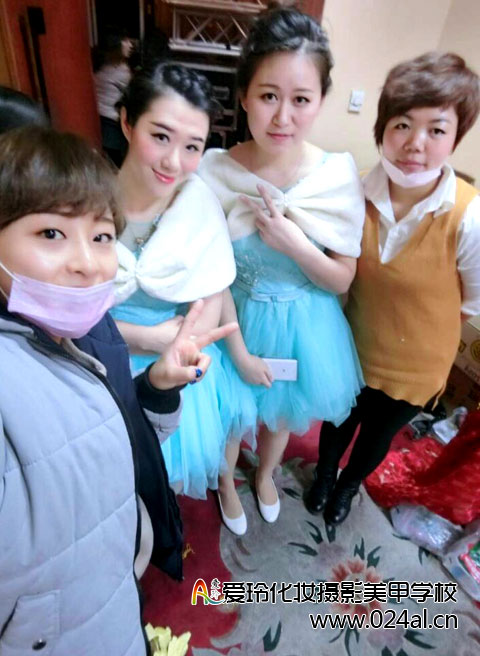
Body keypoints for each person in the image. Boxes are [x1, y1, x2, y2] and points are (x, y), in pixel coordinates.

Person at [0, 126, 237, 654]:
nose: (87, 263)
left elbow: (106, 432)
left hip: (113, 586)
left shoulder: (94, 328)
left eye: (102, 236)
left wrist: (155, 388)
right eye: (51, 233)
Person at [198, 5, 365, 532]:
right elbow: (204, 271)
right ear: (244, 95)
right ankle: (226, 480)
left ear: (320, 101)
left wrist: (297, 246)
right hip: (236, 317)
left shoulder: (336, 177)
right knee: (232, 415)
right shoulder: (213, 172)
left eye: (301, 99)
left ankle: (266, 474)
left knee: (283, 412)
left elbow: (341, 279)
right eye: (269, 96)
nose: (283, 117)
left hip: (305, 323)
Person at [305, 52, 480, 525]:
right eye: (402, 124)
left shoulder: (469, 215)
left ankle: (347, 486)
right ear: (382, 127)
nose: (415, 144)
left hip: (416, 364)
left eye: (436, 130)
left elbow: (472, 302)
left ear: (456, 137)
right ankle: (324, 474)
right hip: (352, 344)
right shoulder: (354, 190)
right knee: (337, 419)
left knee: (377, 436)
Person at [110, 63, 257, 501]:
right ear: (127, 122)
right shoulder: (85, 201)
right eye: (160, 136)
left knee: (163, 476)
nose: (174, 162)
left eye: (192, 146)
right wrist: (146, 338)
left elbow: (212, 290)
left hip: (176, 356)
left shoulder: (200, 204)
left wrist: (179, 345)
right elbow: (63, 310)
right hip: (101, 355)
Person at [94, 31, 133, 166]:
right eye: (125, 41)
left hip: (100, 118)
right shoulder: (122, 71)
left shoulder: (99, 64)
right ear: (116, 46)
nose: (130, 44)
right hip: (114, 124)